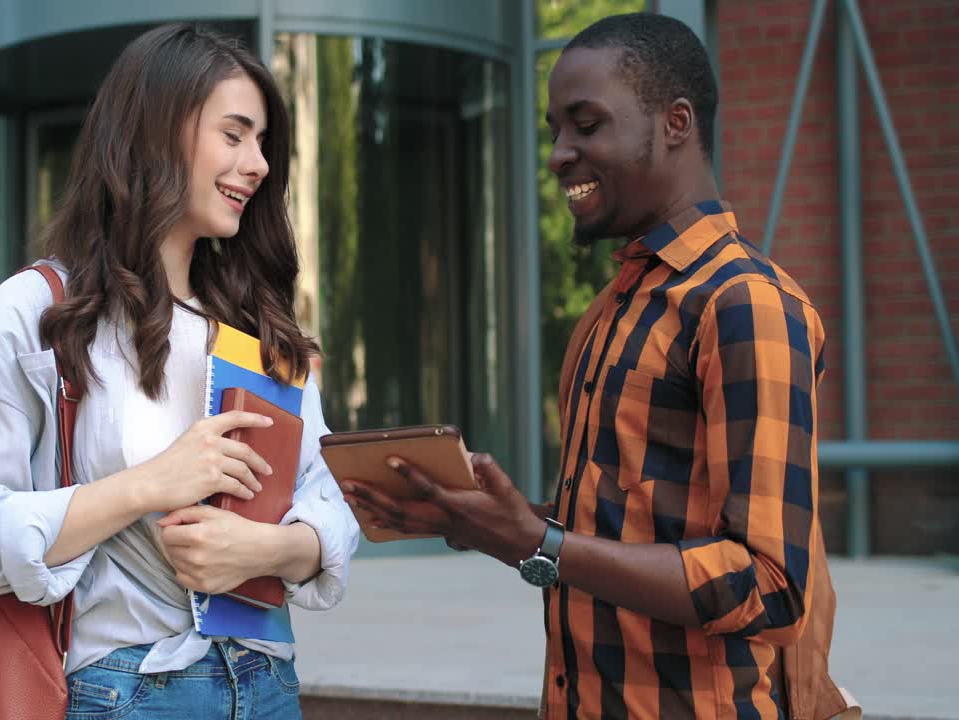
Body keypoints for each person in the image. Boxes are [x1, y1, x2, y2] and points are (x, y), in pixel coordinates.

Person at [342, 13, 846, 719]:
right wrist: (481, 524)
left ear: (675, 123)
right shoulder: (612, 311)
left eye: (586, 124)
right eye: (555, 130)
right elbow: (614, 538)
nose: (558, 154)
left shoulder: (746, 306)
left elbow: (767, 583)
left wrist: (541, 540)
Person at [0, 23, 359, 719]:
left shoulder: (255, 324)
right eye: (235, 135)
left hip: (268, 686)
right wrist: (148, 485)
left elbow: (327, 495)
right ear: (156, 132)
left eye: (263, 142)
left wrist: (266, 548)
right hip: (126, 691)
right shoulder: (38, 313)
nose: (259, 164)